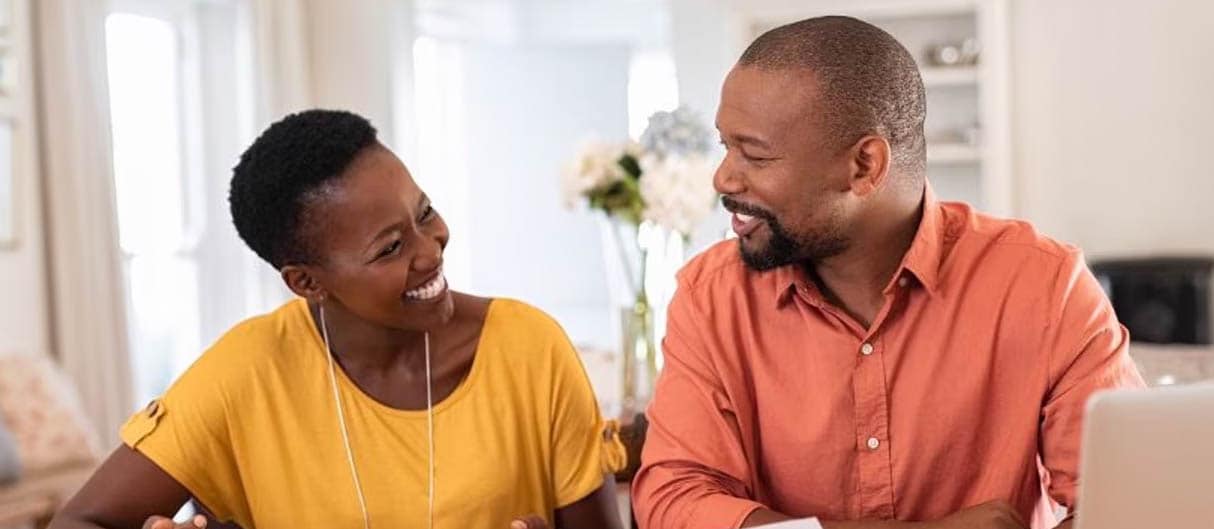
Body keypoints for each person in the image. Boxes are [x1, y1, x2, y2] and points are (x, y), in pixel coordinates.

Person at [632, 16, 1144, 529]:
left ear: (864, 166)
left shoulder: (1044, 285)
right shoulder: (711, 297)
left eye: (755, 155)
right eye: (726, 146)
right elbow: (674, 501)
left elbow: (1128, 505)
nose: (723, 177)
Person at [50, 110, 625, 529]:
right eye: (390, 248)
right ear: (307, 282)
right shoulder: (247, 371)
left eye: (424, 213)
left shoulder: (529, 348)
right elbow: (80, 520)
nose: (431, 250)